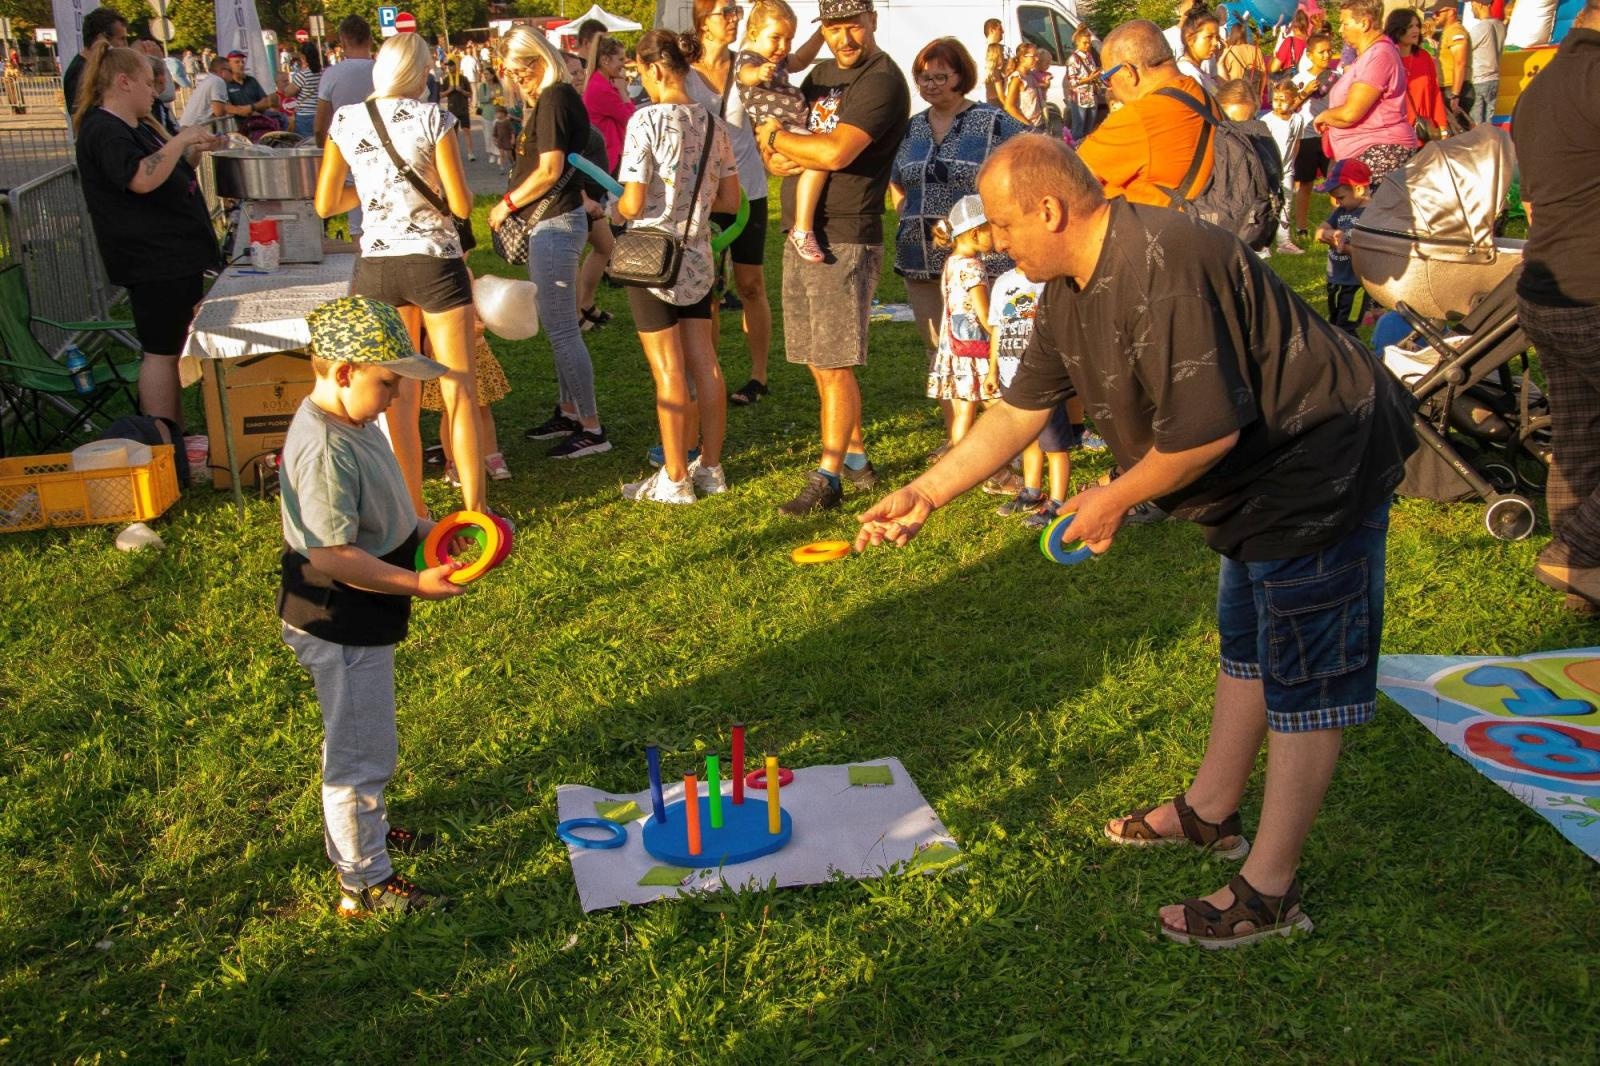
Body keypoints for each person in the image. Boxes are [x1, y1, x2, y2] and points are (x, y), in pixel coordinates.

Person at [858, 135, 1419, 948]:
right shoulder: (1068, 286)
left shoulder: (1165, 264)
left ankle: (1270, 890)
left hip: (1320, 463)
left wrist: (1112, 499)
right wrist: (927, 492)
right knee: (1247, 644)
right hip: (1257, 483)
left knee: (1305, 677)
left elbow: (1204, 434)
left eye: (1006, 226)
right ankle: (1211, 811)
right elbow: (1019, 411)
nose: (999, 243)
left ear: (1050, 209)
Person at [278, 295, 466, 915]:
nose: (395, 396)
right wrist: (415, 583)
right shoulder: (325, 450)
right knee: (361, 752)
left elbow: (386, 516)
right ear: (343, 372)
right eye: (387, 383)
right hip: (338, 615)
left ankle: (369, 833)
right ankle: (363, 880)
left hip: (363, 605)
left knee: (368, 739)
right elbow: (332, 555)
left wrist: (437, 533)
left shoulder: (355, 422)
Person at [315, 32, 485, 518]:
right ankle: (476, 511)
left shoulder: (347, 120)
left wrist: (376, 194)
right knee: (458, 388)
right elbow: (460, 205)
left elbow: (325, 203)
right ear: (420, 72)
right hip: (434, 262)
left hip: (377, 265)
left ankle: (414, 512)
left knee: (398, 396)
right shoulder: (434, 118)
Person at [755, 0, 910, 515]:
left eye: (853, 27)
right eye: (833, 28)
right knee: (818, 361)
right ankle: (857, 460)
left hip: (845, 236)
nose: (844, 39)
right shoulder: (820, 75)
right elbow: (778, 142)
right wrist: (777, 148)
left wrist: (778, 139)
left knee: (834, 360)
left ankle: (828, 476)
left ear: (873, 22)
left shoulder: (881, 80)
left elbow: (834, 152)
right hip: (801, 230)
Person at [610, 30, 741, 504]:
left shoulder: (644, 121)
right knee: (706, 362)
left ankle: (674, 476)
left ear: (655, 69)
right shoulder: (714, 125)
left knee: (667, 369)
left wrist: (615, 210)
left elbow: (632, 201)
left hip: (651, 258)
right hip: (698, 256)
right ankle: (711, 467)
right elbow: (730, 200)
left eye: (640, 72)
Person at [74, 43, 224, 434]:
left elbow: (165, 173)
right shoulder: (104, 130)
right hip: (151, 260)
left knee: (171, 350)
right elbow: (140, 178)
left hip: (172, 256)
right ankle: (162, 439)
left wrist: (191, 151)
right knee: (161, 352)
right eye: (146, 83)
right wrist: (179, 141)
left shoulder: (134, 126)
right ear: (123, 82)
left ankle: (174, 435)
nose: (153, 92)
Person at [890, 36, 1027, 445]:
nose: (930, 85)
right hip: (921, 256)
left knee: (988, 345)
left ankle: (1002, 442)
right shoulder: (913, 128)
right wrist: (904, 213)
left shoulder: (994, 122)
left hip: (982, 260)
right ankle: (957, 438)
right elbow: (896, 179)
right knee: (941, 349)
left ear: (960, 76)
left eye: (940, 77)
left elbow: (1030, 159)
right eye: (923, 77)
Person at [1510, 0, 1600, 612]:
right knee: (1580, 433)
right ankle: (1575, 550)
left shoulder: (1540, 87)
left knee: (1579, 436)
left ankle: (1583, 582)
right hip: (1591, 291)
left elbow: (1534, 201)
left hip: (1547, 289)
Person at [487, 26, 611, 460]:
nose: (516, 79)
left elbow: (549, 170)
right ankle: (570, 410)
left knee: (562, 329)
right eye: (511, 73)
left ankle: (592, 427)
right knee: (560, 326)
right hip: (552, 223)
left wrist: (506, 204)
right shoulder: (550, 98)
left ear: (538, 59)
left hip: (555, 224)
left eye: (521, 71)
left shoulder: (555, 97)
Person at [689, 0, 792, 408]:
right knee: (707, 290)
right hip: (702, 197)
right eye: (726, 12)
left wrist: (773, 149)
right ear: (703, 20)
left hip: (748, 191)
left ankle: (758, 376)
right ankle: (709, 373)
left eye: (736, 11)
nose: (734, 19)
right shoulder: (684, 70)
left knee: (751, 285)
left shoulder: (747, 65)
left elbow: (768, 117)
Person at [1076, 20, 1215, 209]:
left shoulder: (1139, 117)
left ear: (1128, 72)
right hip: (1206, 220)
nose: (1110, 89)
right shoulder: (1201, 94)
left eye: (1107, 79)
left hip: (1161, 225)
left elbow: (1068, 177)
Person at [735, 0, 830, 263]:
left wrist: (821, 34)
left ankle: (803, 224)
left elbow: (800, 60)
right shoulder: (750, 58)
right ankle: (803, 227)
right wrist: (758, 72)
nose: (783, 46)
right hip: (779, 126)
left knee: (815, 164)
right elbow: (744, 75)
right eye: (775, 38)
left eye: (788, 39)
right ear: (753, 33)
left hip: (791, 126)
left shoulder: (776, 59)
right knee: (820, 161)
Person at [987, 260, 1072, 528]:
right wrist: (992, 370)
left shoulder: (1051, 281)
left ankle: (1057, 503)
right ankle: (1032, 492)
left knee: (1055, 445)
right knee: (1027, 439)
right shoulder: (1002, 283)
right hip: (1012, 378)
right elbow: (997, 329)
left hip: (1045, 380)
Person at [1313, 0, 1418, 188]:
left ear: (1364, 23)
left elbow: (1351, 113)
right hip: (1362, 153)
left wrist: (1324, 116)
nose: (1341, 30)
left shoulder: (1379, 55)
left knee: (1372, 207)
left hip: (1381, 152)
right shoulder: (1368, 55)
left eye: (1345, 24)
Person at [924, 195, 995, 449]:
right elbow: (984, 314)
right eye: (992, 230)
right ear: (976, 233)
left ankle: (959, 459)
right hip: (975, 350)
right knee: (1000, 407)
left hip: (953, 348)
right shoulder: (974, 267)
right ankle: (1011, 456)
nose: (996, 237)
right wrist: (1000, 336)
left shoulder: (952, 262)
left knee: (963, 412)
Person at [1314, 158, 1372, 332]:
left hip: (1356, 284)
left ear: (1359, 189)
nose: (1337, 203)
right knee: (1334, 323)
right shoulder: (1341, 211)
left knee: (1347, 328)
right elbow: (1319, 232)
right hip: (1336, 279)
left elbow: (1368, 254)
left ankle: (1351, 350)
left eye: (1340, 197)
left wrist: (1343, 248)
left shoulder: (1372, 215)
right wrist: (1329, 234)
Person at [1290, 32, 1337, 242]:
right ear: (1309, 55)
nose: (1326, 55)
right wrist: (1305, 93)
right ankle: (1301, 228)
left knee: (1335, 182)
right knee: (1305, 183)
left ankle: (1337, 223)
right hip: (1307, 137)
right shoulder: (1300, 79)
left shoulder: (1336, 77)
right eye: (1321, 52)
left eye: (1329, 51)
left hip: (1330, 136)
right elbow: (1288, 108)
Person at [1386, 8, 1450, 141]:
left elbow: (1435, 93)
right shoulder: (1386, 58)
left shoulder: (1424, 57)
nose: (1416, 30)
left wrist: (1442, 127)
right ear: (1397, 29)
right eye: (1410, 26)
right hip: (1395, 136)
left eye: (1417, 26)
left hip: (1423, 134)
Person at [1261, 79, 1308, 255]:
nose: (1278, 104)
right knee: (1267, 205)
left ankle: (1284, 242)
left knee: (1286, 205)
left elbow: (1296, 144)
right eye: (1275, 99)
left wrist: (1291, 166)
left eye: (1283, 99)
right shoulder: (1267, 121)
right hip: (1269, 171)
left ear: (1293, 100)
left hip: (1287, 171)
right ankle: (1263, 243)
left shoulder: (1298, 120)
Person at [316, 16, 375, 149]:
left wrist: (325, 151)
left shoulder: (331, 75)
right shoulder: (386, 71)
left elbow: (320, 128)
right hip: (383, 150)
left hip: (344, 150)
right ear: (370, 40)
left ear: (342, 42)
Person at [63, 7, 127, 112]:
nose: (125, 45)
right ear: (101, 38)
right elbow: (81, 114)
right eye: (122, 39)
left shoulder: (95, 67)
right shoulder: (79, 72)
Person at [1431, 0, 1473, 130]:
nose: (1434, 16)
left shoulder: (1456, 32)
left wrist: (1455, 95)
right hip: (1449, 88)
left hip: (1454, 89)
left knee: (1460, 133)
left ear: (1451, 12)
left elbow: (1460, 62)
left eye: (1438, 13)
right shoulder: (1448, 32)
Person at [1064, 24, 1106, 144]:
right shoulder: (1074, 59)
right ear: (1078, 43)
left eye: (1089, 43)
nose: (1087, 46)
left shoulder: (1089, 56)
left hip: (1091, 95)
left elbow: (1091, 71)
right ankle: (1075, 149)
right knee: (1079, 127)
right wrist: (1089, 78)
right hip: (1079, 97)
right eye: (1085, 43)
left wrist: (1097, 73)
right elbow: (1072, 81)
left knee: (1089, 127)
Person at [178, 54, 244, 129]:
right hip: (195, 129)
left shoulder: (210, 80)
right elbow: (219, 111)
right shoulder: (218, 81)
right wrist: (241, 111)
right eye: (230, 71)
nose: (233, 74)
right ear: (222, 71)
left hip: (189, 128)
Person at [1467, 0, 1506, 126]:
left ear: (1479, 4)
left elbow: (1465, 49)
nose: (1471, 9)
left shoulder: (1481, 28)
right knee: (1488, 124)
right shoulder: (1500, 26)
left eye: (1472, 5)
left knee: (1476, 125)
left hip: (1479, 79)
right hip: (1494, 79)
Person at [1002, 41, 1047, 128]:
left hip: (1039, 124)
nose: (1037, 59)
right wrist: (1028, 125)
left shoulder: (1030, 75)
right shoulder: (1017, 79)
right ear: (1023, 58)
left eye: (1037, 56)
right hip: (1028, 127)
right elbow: (1009, 106)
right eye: (1034, 56)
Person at [1176, 9, 1222, 94]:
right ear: (1189, 39)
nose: (1216, 43)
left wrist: (1221, 64)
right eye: (1209, 37)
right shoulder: (1188, 73)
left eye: (1217, 37)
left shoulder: (1199, 72)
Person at [1219, 20, 1267, 101]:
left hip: (1236, 95)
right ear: (1244, 35)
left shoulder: (1229, 52)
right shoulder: (1256, 50)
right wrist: (1260, 94)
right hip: (1253, 94)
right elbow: (1263, 75)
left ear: (1232, 34)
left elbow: (1222, 75)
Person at [440, 59, 475, 162]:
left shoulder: (463, 78)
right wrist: (449, 90)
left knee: (466, 131)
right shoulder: (446, 79)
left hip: (463, 108)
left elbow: (470, 94)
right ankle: (456, 154)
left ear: (456, 66)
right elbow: (441, 94)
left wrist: (462, 90)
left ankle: (470, 152)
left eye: (451, 65)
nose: (449, 68)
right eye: (448, 66)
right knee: (454, 134)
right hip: (452, 109)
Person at [289, 43, 322, 139]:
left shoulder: (303, 75)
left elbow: (288, 92)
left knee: (305, 143)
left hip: (305, 116)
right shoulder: (323, 73)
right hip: (320, 113)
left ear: (303, 57)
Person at [1272, 9, 1311, 73]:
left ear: (1293, 25)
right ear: (1306, 24)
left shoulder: (1289, 41)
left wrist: (1273, 58)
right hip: (1310, 77)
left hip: (1292, 77)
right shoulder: (1313, 41)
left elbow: (1274, 68)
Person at [477, 67, 502, 164]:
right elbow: (481, 99)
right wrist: (489, 97)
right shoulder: (483, 86)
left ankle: (499, 154)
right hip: (486, 113)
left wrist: (499, 100)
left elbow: (501, 97)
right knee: (488, 135)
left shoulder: (498, 85)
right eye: (485, 74)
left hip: (497, 112)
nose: (486, 76)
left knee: (498, 134)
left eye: (487, 74)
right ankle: (491, 153)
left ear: (492, 75)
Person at [983, 41, 1007, 106]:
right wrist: (1009, 108)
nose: (1004, 55)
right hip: (997, 103)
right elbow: (1001, 95)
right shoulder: (996, 72)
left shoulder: (991, 71)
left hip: (992, 102)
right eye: (1002, 52)